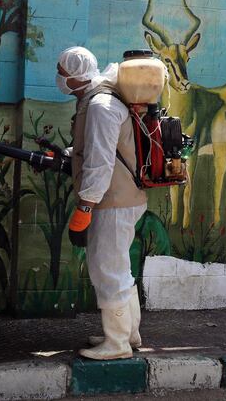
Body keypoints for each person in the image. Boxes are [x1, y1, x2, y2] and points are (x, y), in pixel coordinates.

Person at [55, 46, 148, 361]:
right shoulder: (96, 101)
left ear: (75, 75)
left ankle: (117, 343)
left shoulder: (101, 105)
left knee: (107, 270)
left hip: (112, 202)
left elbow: (100, 162)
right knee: (119, 266)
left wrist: (85, 206)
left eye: (62, 72)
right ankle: (128, 334)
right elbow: (98, 149)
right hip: (119, 199)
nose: (59, 78)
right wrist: (69, 155)